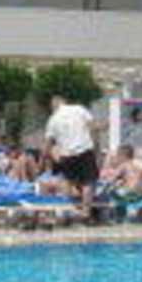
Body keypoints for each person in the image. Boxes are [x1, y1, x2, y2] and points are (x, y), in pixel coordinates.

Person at [42, 92, 100, 220]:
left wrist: (43, 159)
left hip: (67, 154)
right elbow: (93, 127)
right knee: (88, 182)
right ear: (64, 101)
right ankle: (85, 212)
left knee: (67, 181)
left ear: (54, 105)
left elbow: (48, 142)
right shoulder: (79, 109)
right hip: (84, 150)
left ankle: (67, 210)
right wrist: (96, 144)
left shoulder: (53, 119)